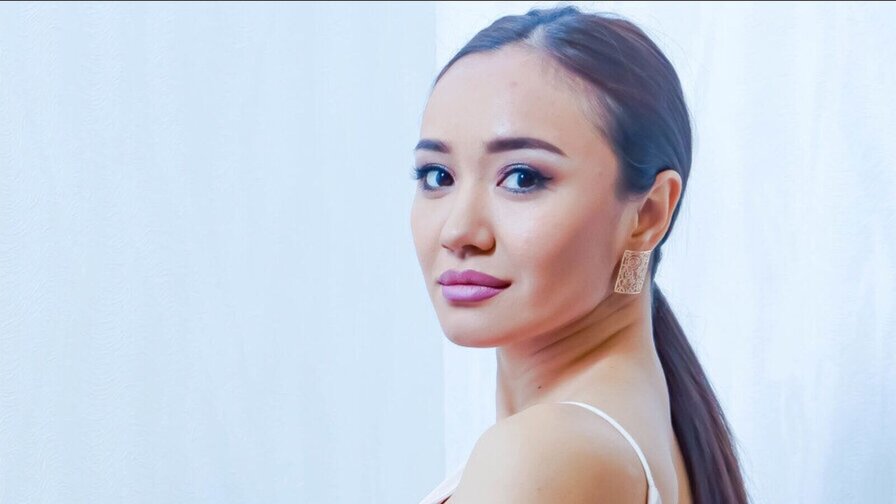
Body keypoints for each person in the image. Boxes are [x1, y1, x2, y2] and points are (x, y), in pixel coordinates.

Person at [411, 5, 749, 504]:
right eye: (437, 176)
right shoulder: (641, 425)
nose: (459, 231)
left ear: (648, 214)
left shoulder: (543, 456)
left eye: (522, 177)